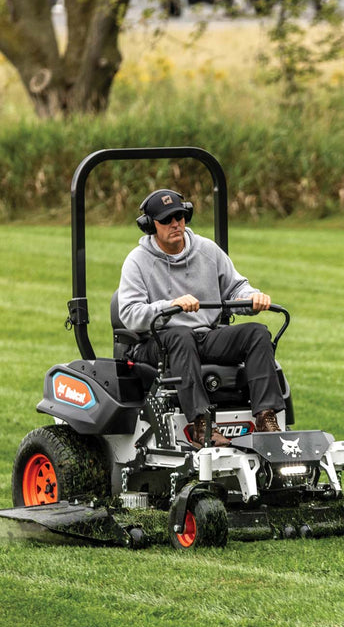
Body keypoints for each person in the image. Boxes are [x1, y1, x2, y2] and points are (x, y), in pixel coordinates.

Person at [117, 188, 285, 448]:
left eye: (180, 217)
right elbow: (129, 313)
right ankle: (201, 425)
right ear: (149, 226)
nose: (176, 224)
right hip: (157, 344)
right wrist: (171, 306)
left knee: (256, 333)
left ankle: (266, 417)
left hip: (205, 337)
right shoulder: (137, 262)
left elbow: (236, 287)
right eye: (167, 220)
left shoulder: (207, 250)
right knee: (181, 336)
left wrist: (253, 298)